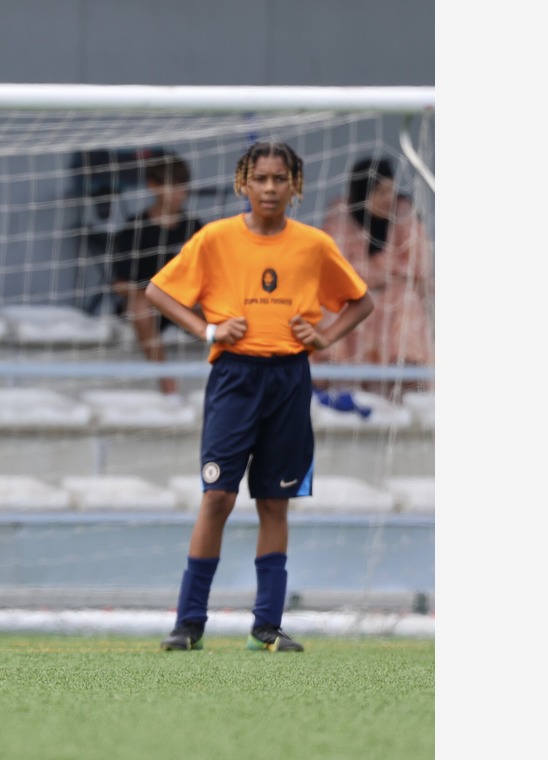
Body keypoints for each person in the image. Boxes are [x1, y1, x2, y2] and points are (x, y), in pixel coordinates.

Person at [145, 141, 374, 653]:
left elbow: (361, 301)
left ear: (296, 186)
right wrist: (209, 330)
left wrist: (326, 337)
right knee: (218, 497)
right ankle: (188, 623)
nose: (269, 188)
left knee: (275, 503)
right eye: (260, 178)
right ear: (241, 183)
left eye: (279, 179)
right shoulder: (215, 238)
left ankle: (266, 626)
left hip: (290, 378)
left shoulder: (314, 245)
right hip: (234, 376)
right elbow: (157, 292)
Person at [315, 157, 434, 398]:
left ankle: (405, 387)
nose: (387, 198)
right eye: (379, 192)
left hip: (393, 296)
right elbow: (336, 268)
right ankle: (339, 386)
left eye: (390, 190)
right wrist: (380, 276)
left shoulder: (404, 215)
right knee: (332, 303)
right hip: (354, 295)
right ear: (362, 193)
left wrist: (377, 277)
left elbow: (416, 268)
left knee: (405, 299)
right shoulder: (340, 216)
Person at [110, 150, 205, 395]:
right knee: (139, 306)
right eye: (172, 187)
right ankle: (167, 383)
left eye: (183, 187)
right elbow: (119, 284)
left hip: (184, 305)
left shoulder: (195, 229)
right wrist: (157, 293)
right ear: (153, 187)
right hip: (149, 305)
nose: (179, 194)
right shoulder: (134, 229)